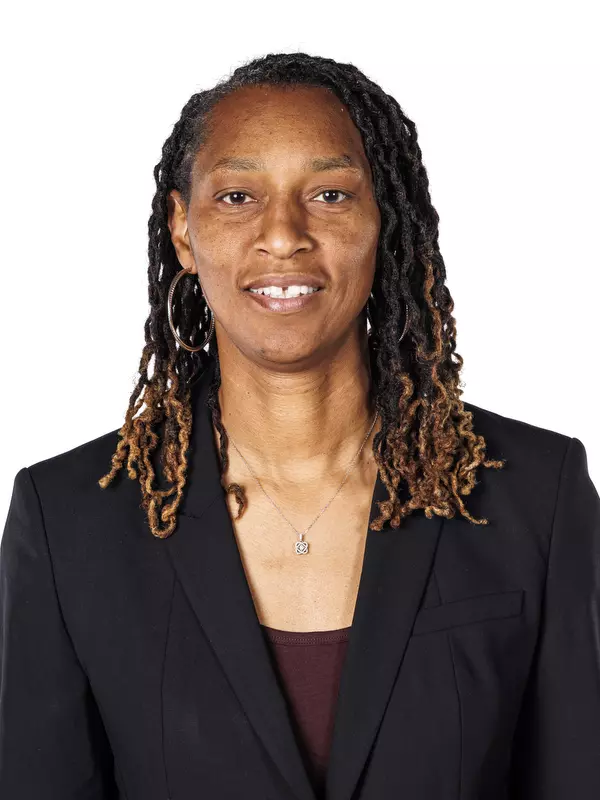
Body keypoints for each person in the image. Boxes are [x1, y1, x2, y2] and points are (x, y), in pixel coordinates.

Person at [1, 51, 599, 800]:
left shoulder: (535, 495)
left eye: (329, 194)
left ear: (385, 220)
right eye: (238, 196)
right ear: (182, 231)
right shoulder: (68, 520)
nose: (283, 235)